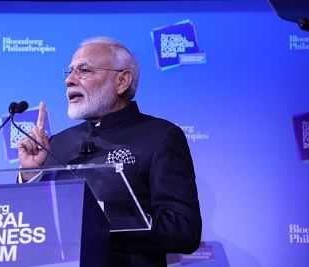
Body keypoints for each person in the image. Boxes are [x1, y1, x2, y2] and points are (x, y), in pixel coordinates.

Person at [17, 36, 202, 267]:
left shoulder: (160, 136)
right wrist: (30, 175)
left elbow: (184, 230)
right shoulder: (57, 143)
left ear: (122, 81)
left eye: (84, 71)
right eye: (70, 72)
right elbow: (33, 227)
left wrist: (100, 218)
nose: (70, 80)